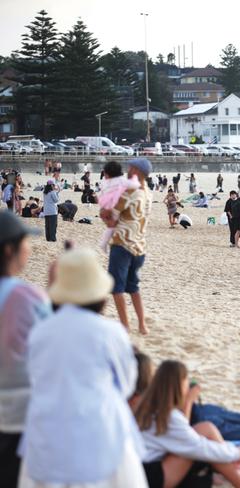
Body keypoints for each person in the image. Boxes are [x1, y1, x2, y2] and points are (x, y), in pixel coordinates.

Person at [20, 248, 147, 487]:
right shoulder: (110, 332)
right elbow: (127, 383)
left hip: (47, 427)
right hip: (99, 426)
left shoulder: (40, 332)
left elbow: (34, 377)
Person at [130, 352, 240, 445]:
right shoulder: (138, 403)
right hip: (189, 426)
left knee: (213, 412)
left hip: (192, 418)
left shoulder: (142, 395)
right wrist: (189, 399)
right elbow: (180, 430)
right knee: (212, 420)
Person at [134, 360, 240, 488]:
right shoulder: (168, 417)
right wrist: (235, 453)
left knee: (205, 428)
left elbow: (184, 434)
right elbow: (200, 447)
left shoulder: (146, 408)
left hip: (137, 471)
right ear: (180, 385)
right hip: (148, 479)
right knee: (202, 442)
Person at [0, 213, 49, 488]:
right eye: (25, 243)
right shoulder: (27, 296)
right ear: (9, 250)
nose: (29, 250)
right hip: (22, 412)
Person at [101, 158, 153, 335]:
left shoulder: (129, 192)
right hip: (140, 245)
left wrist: (102, 211)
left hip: (122, 243)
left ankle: (125, 325)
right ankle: (142, 325)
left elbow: (111, 215)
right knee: (133, 287)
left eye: (131, 167)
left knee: (116, 287)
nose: (128, 170)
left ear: (137, 171)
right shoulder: (148, 192)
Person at [98, 161, 142, 252]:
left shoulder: (104, 183)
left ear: (106, 174)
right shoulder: (122, 180)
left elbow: (102, 194)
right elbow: (135, 185)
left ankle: (104, 243)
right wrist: (134, 178)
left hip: (105, 206)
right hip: (115, 206)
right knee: (113, 225)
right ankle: (104, 243)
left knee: (110, 226)